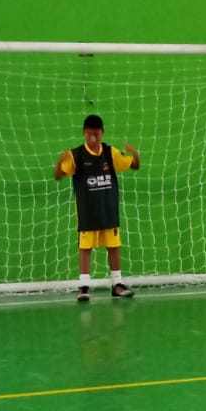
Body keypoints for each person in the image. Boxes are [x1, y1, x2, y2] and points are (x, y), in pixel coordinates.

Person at [53, 115, 140, 301]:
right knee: (85, 249)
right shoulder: (76, 155)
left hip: (108, 211)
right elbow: (58, 175)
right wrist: (59, 162)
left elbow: (134, 165)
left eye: (96, 135)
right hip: (87, 212)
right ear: (84, 133)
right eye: (89, 135)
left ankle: (117, 284)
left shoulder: (110, 153)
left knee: (114, 246)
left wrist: (136, 154)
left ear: (102, 134)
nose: (93, 139)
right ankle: (84, 286)